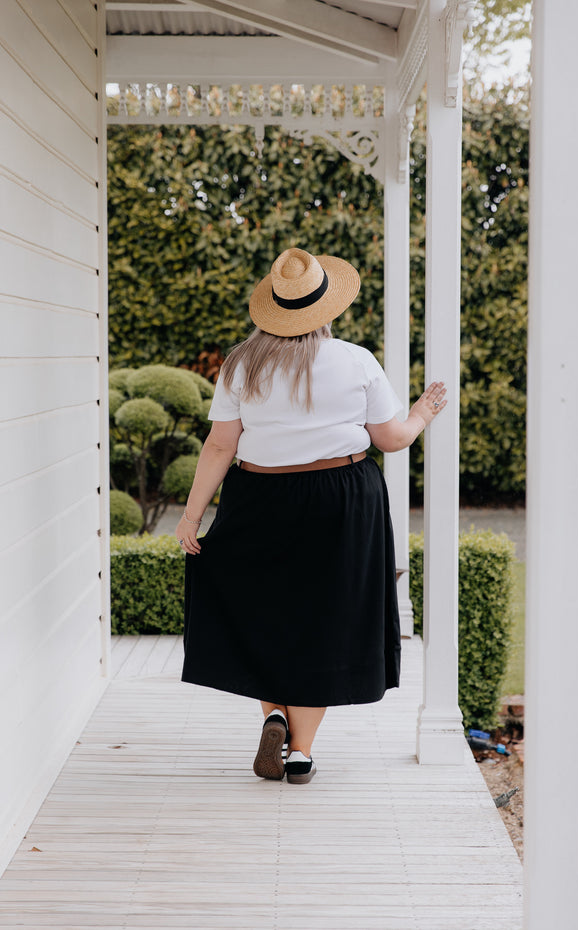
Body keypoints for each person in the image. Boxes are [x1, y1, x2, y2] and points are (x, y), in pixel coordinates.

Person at [176, 247, 446, 785]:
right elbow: (391, 440)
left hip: (259, 494)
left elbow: (218, 446)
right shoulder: (355, 360)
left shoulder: (240, 364)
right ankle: (299, 752)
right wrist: (421, 413)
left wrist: (191, 517)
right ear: (327, 308)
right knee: (325, 619)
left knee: (266, 612)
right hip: (340, 497)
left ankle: (273, 713)